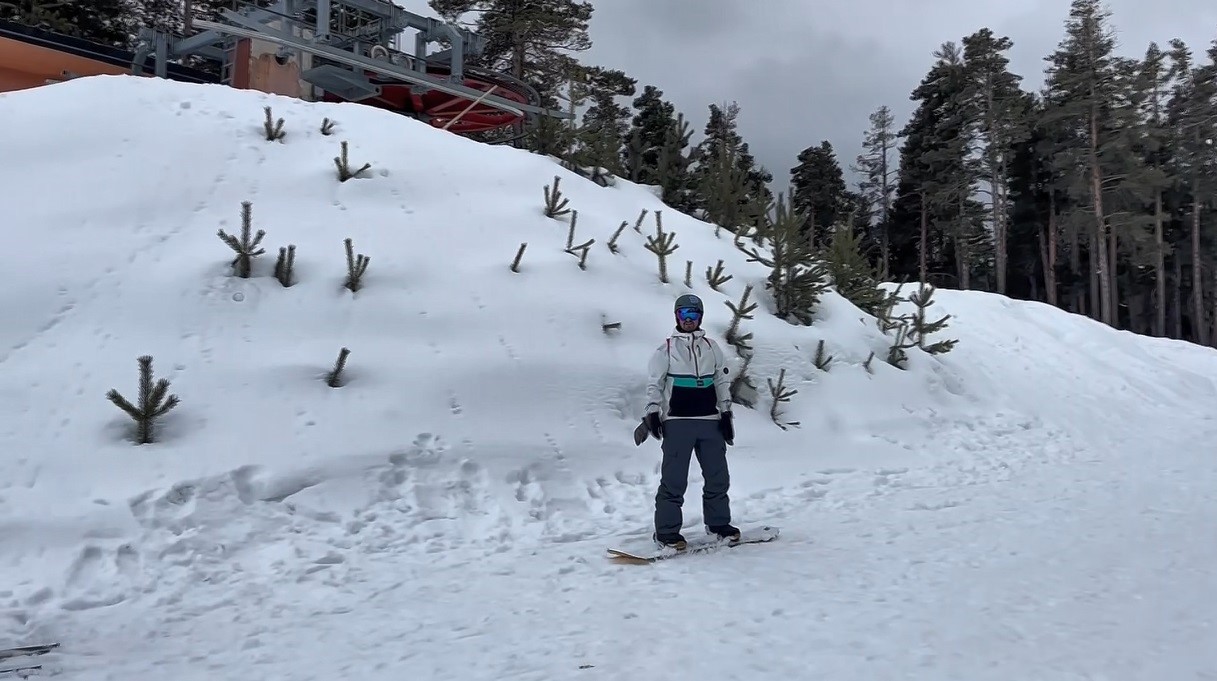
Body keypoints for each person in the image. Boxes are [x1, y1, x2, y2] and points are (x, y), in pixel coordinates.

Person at [642, 293, 739, 549]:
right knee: (674, 480)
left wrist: (726, 412)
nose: (689, 320)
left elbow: (720, 380)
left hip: (710, 421)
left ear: (700, 318)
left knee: (718, 478)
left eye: (693, 315)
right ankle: (666, 532)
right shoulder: (667, 349)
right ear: (677, 316)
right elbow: (655, 383)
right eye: (684, 315)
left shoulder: (711, 347)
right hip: (678, 422)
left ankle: (718, 524)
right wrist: (653, 411)